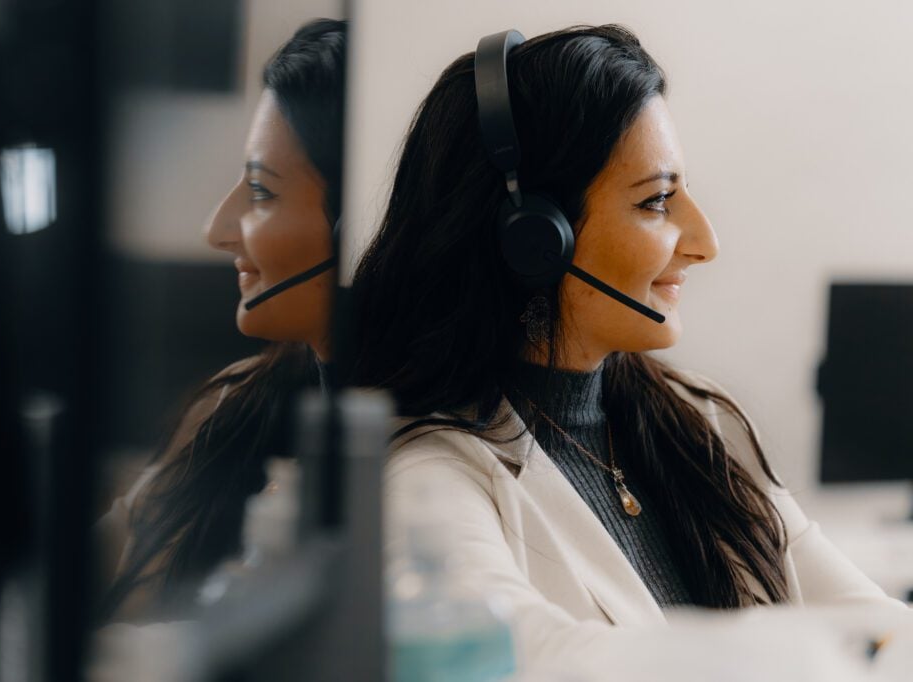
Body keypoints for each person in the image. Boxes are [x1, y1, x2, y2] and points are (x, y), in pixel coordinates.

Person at [349, 24, 910, 673]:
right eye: (657, 201)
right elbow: (524, 657)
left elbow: (875, 624)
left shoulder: (698, 423)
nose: (705, 241)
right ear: (532, 239)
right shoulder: (427, 473)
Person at [95, 18, 347, 623]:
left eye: (261, 192)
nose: (216, 229)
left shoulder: (427, 462)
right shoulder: (235, 405)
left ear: (359, 222)